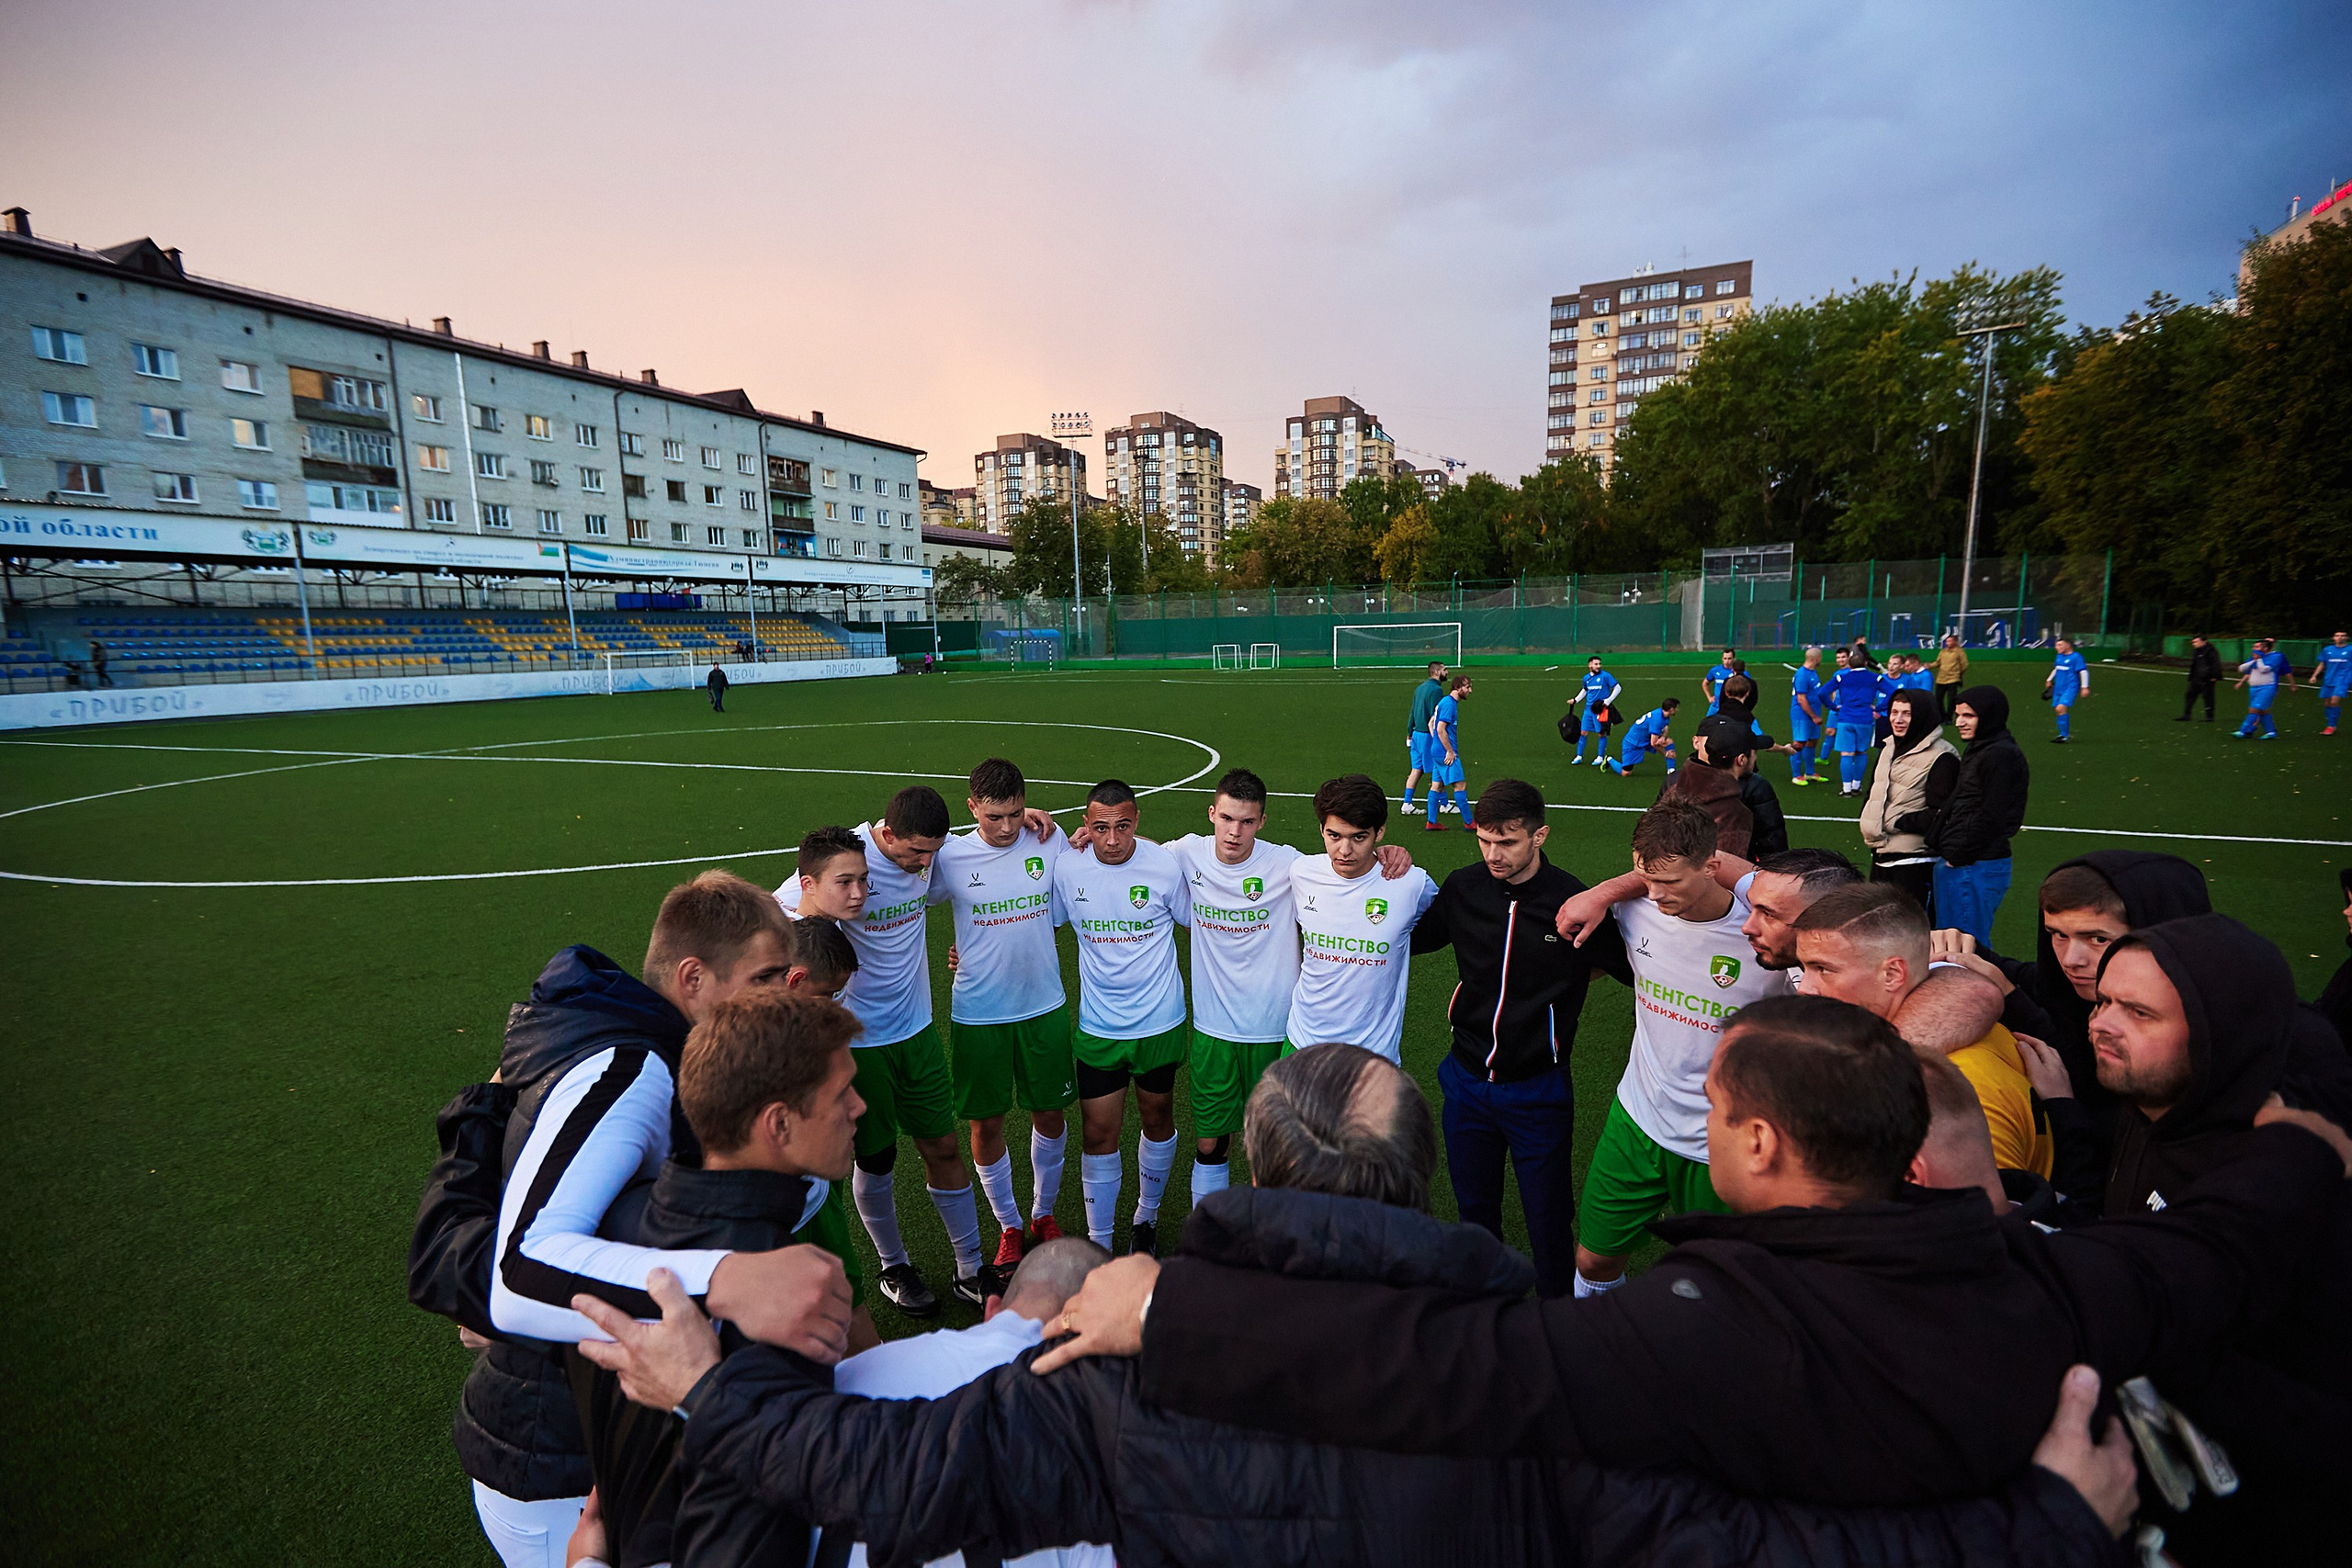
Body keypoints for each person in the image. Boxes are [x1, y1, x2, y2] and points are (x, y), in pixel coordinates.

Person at [577, 1042, 2146, 1565]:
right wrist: (2047, 1526)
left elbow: (895, 1483)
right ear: (1416, 1190)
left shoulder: (1124, 1360)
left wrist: (707, 1381)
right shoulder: (1564, 1373)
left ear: (1251, 1169)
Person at [1041, 994, 2352, 1514]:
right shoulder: (2059, 1274)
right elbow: (2219, 1254)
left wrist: (1178, 1310)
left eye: (1716, 1110)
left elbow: (1450, 1368)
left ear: (1766, 1144)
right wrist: (2307, 1153)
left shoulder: (1702, 1325)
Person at [443, 873, 838, 1568]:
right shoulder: (628, 1067)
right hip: (555, 1466)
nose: (784, 991)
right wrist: (725, 1279)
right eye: (767, 974)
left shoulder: (663, 1052)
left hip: (601, 1439)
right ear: (693, 976)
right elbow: (520, 1271)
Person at [566, 988, 871, 1568]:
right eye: (841, 1093)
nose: (859, 1107)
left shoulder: (599, 1232)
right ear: (778, 1123)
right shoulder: (786, 1305)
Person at [2084, 914, 2352, 1559]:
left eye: (2140, 1012)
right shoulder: (2150, 1103)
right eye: (2104, 999)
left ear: (2216, 1034)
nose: (2101, 1023)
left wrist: (2146, 1345)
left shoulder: (2289, 1177)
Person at [1409, 779, 1629, 1296]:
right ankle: (1484, 1316)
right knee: (1475, 1212)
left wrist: (1564, 978)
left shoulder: (1572, 902)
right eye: (1484, 841)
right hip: (1465, 1082)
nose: (1493, 854)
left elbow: (1635, 969)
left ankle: (1558, 1323)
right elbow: (1408, 939)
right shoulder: (1463, 888)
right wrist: (1384, 862)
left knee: (1548, 1219)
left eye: (1507, 842)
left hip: (1539, 1089)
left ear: (1539, 836)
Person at [1165, 768, 1413, 1207]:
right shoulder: (1186, 853)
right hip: (1212, 1030)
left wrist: (1387, 854)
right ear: (1211, 814)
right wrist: (1083, 836)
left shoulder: (1294, 867)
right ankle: (1211, 1241)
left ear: (1262, 822)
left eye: (1246, 821)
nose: (1234, 832)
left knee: (1284, 1156)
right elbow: (1130, 852)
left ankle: (1287, 1243)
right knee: (1210, 1146)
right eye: (1226, 818)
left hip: (1278, 1032)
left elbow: (1345, 869)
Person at [1571, 800, 1786, 1298]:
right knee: (1594, 1259)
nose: (1656, 894)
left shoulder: (1767, 935)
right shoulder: (1633, 909)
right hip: (1638, 1119)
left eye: (1670, 883)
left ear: (1713, 867)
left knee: (1717, 1278)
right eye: (1646, 879)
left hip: (1724, 1141)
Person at [778, 798, 984, 1315]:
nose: (924, 864)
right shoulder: (841, 865)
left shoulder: (927, 853)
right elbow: (773, 915)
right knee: (876, 1159)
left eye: (931, 854)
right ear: (887, 835)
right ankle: (894, 1265)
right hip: (860, 1047)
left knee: (944, 1147)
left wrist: (1031, 824)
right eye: (915, 853)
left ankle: (971, 1268)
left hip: (918, 1034)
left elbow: (981, 855)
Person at [929, 759, 1077, 1281]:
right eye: (995, 817)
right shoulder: (947, 857)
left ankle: (1043, 1212)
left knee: (1050, 1115)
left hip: (1044, 1007)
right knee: (985, 1123)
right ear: (972, 808)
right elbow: (900, 889)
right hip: (979, 1013)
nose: (1008, 827)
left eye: (1016, 813)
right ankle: (1009, 1224)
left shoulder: (1047, 840)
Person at [1790, 882, 2052, 1177]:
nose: (1804, 990)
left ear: (1893, 974)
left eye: (1823, 969)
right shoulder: (1947, 1032)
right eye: (1805, 968)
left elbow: (1980, 1215)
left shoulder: (1944, 1087)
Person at [1054, 779, 1191, 1257]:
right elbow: (1035, 923)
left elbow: (1203, 921)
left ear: (1137, 823)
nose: (1111, 839)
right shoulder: (1067, 867)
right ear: (1086, 825)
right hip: (1099, 1028)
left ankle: (1146, 1218)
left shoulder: (1164, 866)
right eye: (1100, 827)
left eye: (1122, 826)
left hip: (1159, 1022)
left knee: (1157, 1119)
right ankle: (1099, 1242)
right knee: (1098, 1133)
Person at [1288, 774, 1440, 1065]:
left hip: (1373, 1055)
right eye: (1334, 836)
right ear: (1321, 829)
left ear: (1380, 832)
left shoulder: (1412, 884)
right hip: (1302, 1041)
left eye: (1358, 837)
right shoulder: (1301, 872)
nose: (1344, 851)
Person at [1932, 686, 2027, 948]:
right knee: (1950, 945)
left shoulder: (1999, 755)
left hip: (1974, 865)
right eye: (1958, 714)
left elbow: (1994, 815)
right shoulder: (1982, 748)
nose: (1959, 722)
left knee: (1963, 949)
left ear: (1989, 716)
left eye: (1969, 716)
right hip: (1966, 863)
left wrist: (1958, 855)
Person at [1860, 687, 1957, 913]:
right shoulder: (1889, 747)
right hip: (1881, 854)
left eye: (1907, 714)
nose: (1898, 719)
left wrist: (1895, 822)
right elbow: (1876, 792)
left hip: (1914, 862)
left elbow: (1942, 815)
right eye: (1894, 712)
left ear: (1923, 716)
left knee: (1909, 934)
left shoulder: (1942, 757)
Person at [1657, 715, 1755, 860]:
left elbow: (1649, 845)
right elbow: (1724, 870)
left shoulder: (1674, 788)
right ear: (1741, 760)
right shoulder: (1736, 813)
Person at [1826, 642, 1882, 795]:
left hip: (1846, 718)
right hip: (1864, 719)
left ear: (1849, 663)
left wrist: (1833, 706)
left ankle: (1846, 789)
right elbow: (1891, 692)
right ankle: (1857, 786)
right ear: (1865, 663)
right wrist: (1878, 708)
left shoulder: (1841, 677)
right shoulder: (1874, 677)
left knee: (1846, 753)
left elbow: (1822, 693)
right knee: (1861, 752)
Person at [1423, 673, 1472, 829]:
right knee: (1460, 785)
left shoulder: (1444, 702)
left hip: (1437, 751)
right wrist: (1449, 751)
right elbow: (1439, 728)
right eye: (1468, 687)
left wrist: (1437, 743)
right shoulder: (1449, 704)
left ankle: (1431, 822)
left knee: (1437, 786)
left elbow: (1431, 723)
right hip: (1445, 753)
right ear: (1458, 688)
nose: (1470, 690)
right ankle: (1470, 823)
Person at [1399, 660, 1447, 814]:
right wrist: (1439, 738)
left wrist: (1409, 733)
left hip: (1416, 735)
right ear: (1437, 672)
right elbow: (1436, 715)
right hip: (1428, 735)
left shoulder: (1419, 688)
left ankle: (1407, 803)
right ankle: (1444, 804)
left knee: (1416, 769)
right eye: (1445, 670)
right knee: (1439, 768)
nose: (1447, 673)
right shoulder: (1436, 691)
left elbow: (1412, 712)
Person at [2232, 635, 2295, 739]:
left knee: (2254, 709)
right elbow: (2241, 669)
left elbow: (2264, 669)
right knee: (2263, 711)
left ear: (2265, 648)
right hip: (2253, 688)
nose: (2253, 649)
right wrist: (2254, 660)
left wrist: (2259, 660)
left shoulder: (2276, 656)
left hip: (2267, 687)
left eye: (2256, 647)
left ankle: (2242, 731)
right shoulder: (2254, 657)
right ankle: (2271, 732)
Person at [1603, 694, 1677, 777]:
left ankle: (1671, 771)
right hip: (1633, 743)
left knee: (1668, 741)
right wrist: (1666, 753)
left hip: (1646, 738)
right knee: (1626, 773)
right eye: (1676, 708)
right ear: (1671, 709)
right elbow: (1653, 743)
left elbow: (1666, 727)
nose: (1677, 710)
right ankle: (1609, 759)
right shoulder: (1657, 720)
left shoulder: (1663, 714)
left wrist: (1663, 737)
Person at [1569, 654, 1621, 766]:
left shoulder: (1605, 676)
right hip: (1588, 710)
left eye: (1599, 664)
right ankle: (1579, 756)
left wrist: (1608, 701)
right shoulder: (1586, 678)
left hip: (1601, 710)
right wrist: (1575, 700)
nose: (1598, 666)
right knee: (1583, 732)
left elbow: (1618, 687)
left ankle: (1600, 757)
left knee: (1601, 734)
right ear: (1590, 665)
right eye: (1596, 664)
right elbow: (1585, 690)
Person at [1786, 645, 1826, 785]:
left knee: (1812, 742)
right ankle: (1796, 775)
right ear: (1816, 658)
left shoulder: (1812, 672)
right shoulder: (1802, 675)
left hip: (1812, 714)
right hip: (1802, 715)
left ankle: (1809, 773)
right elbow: (1801, 699)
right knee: (1799, 743)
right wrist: (1814, 716)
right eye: (1820, 657)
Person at [2042, 637, 2086, 743]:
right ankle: (2063, 734)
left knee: (2060, 708)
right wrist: (2049, 679)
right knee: (2059, 711)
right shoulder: (2059, 657)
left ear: (2068, 645)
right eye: (2057, 645)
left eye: (2060, 645)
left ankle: (2064, 735)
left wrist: (2084, 687)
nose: (2057, 647)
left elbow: (2083, 672)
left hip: (2070, 687)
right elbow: (2057, 669)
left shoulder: (2076, 657)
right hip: (2058, 687)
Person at [2312, 627, 2351, 735]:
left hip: (2343, 679)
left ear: (2347, 637)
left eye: (2343, 635)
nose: (2340, 637)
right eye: (2338, 635)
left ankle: (2331, 726)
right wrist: (2314, 676)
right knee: (2328, 703)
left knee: (2334, 701)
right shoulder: (2327, 650)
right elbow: (2322, 664)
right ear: (2333, 638)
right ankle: (2331, 724)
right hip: (2329, 679)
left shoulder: (2350, 649)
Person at [2176, 632, 2221, 722]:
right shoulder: (2197, 651)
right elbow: (2194, 664)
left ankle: (2209, 717)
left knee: (2208, 697)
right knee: (2189, 695)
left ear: (2204, 642)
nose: (2194, 644)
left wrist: (2214, 676)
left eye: (2196, 642)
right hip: (2196, 677)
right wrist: (2192, 676)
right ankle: (2187, 715)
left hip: (2207, 678)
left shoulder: (2211, 651)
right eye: (2193, 642)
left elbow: (2216, 664)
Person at [1933, 633, 1969, 721]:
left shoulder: (1959, 652)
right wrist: (1929, 665)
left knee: (1951, 700)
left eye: (1949, 641)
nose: (1947, 643)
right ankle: (1942, 717)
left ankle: (1949, 718)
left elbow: (1964, 664)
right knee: (1938, 699)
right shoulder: (1943, 652)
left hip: (1953, 679)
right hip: (1941, 679)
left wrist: (1958, 673)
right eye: (1946, 641)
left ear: (1955, 642)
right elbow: (1937, 663)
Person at [1702, 647, 1736, 714]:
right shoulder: (1715, 670)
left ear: (1734, 659)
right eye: (1725, 658)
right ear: (1722, 659)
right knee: (1708, 723)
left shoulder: (1737, 671)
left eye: (1729, 658)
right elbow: (1705, 683)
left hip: (1730, 707)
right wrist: (1709, 697)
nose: (1727, 661)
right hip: (1715, 707)